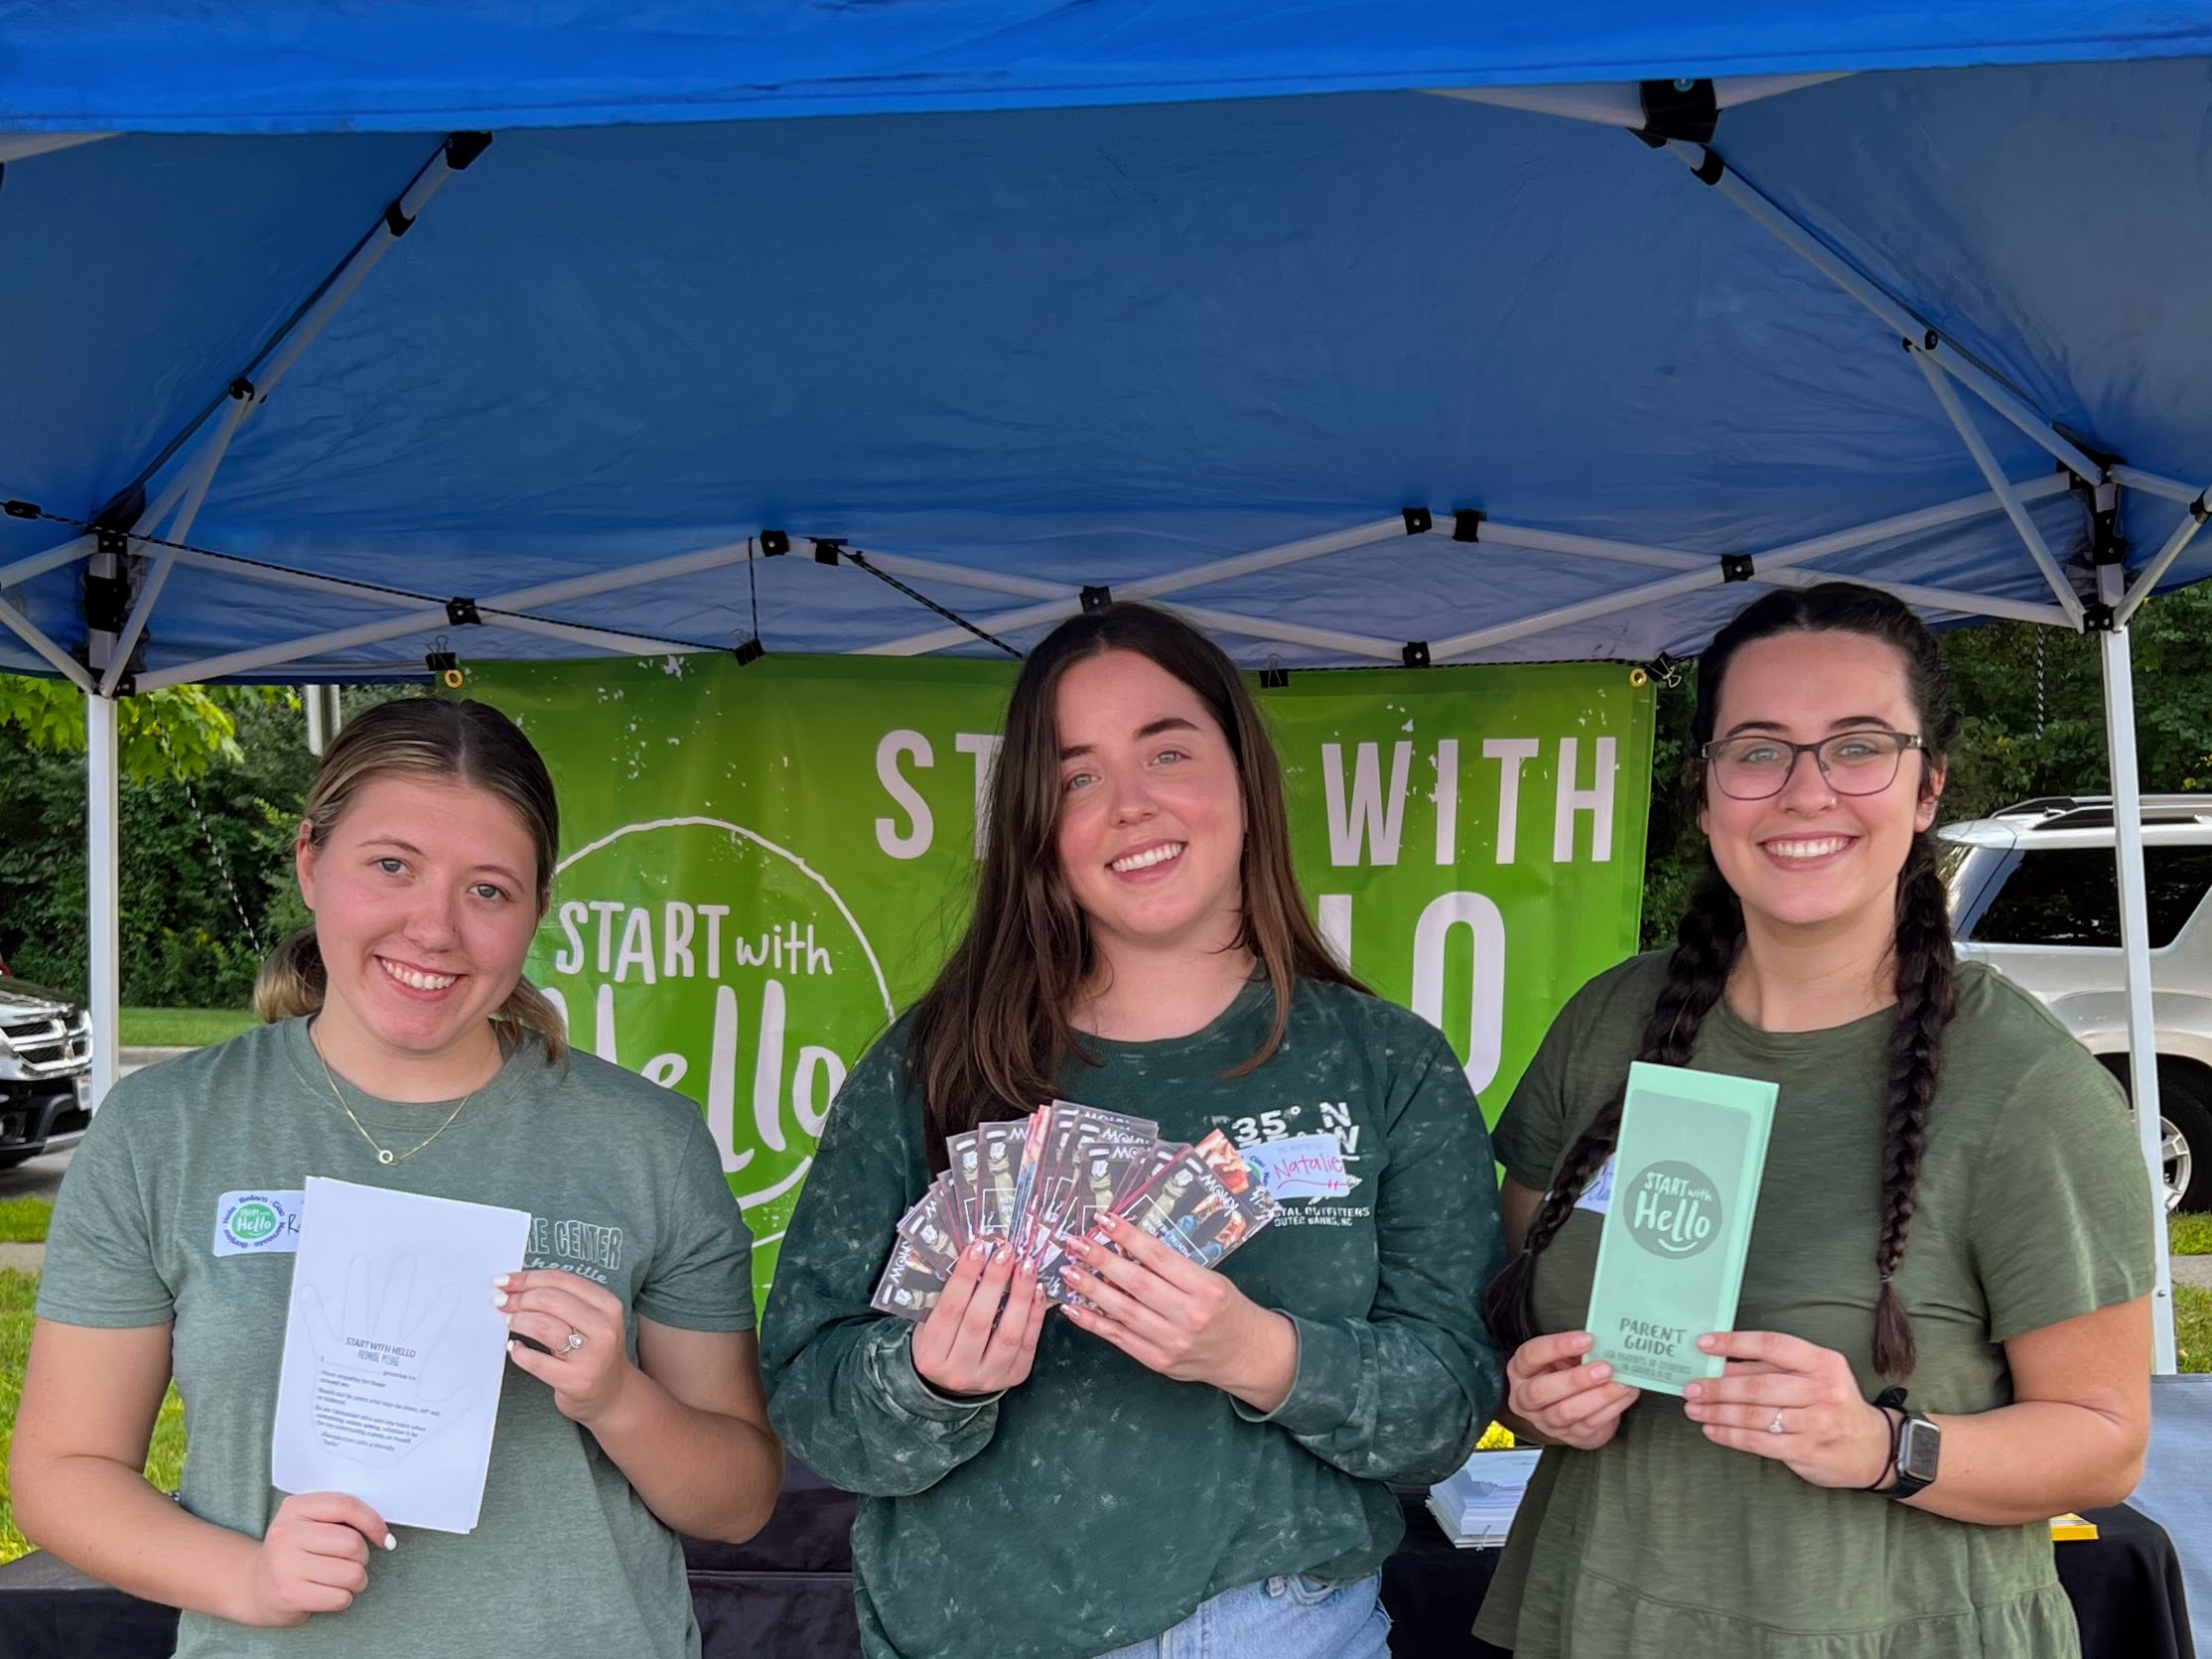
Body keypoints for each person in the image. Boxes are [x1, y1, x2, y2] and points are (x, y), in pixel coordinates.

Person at [761, 602, 1503, 1659]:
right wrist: (928, 1382)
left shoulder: (1385, 1065)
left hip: (1280, 1630)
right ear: (1036, 826)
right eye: (1076, 777)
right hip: (973, 1629)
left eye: (1166, 750)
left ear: (1244, 775)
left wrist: (1262, 1355)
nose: (1128, 806)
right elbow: (808, 1399)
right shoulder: (932, 1063)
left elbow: (1448, 1409)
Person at [11, 697, 782, 1657]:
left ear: (539, 909)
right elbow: (62, 1471)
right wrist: (244, 1577)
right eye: (392, 866)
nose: (435, 928)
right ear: (309, 861)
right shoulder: (167, 1126)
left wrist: (621, 1399)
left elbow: (741, 1499)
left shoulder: (646, 1142)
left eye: (489, 890)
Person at [1475, 583, 2156, 1658]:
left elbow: (2103, 1447)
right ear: (1704, 792)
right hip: (1602, 1615)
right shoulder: (1607, 1020)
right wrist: (1530, 1389)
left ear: (1925, 786)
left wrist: (1881, 1445)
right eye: (1757, 751)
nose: (1803, 791)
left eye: (1854, 747)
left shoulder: (2024, 1083)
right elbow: (1514, 1298)